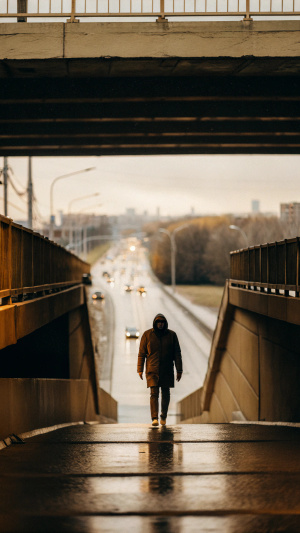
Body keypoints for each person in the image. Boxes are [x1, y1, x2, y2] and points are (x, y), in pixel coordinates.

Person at [137, 313, 183, 427]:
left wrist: (179, 370)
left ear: (165, 323)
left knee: (166, 393)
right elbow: (142, 354)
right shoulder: (147, 335)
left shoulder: (172, 335)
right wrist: (140, 369)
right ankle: (154, 418)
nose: (160, 324)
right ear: (155, 323)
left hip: (167, 369)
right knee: (154, 393)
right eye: (158, 322)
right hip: (152, 369)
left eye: (162, 322)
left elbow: (177, 354)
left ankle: (163, 416)